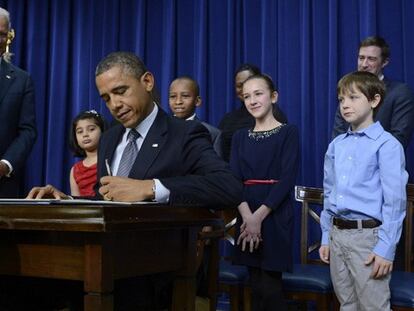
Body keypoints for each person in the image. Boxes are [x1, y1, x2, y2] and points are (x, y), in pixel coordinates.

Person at [27, 51, 242, 310]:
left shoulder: (184, 133)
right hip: (102, 258)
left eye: (120, 91)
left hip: (155, 269)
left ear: (147, 82)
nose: (114, 104)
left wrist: (151, 188)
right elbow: (105, 199)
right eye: (106, 98)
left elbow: (229, 187)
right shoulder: (109, 138)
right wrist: (67, 201)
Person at [320, 71, 408, 310]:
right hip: (337, 235)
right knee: (347, 304)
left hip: (368, 238)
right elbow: (329, 194)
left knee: (373, 306)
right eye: (341, 99)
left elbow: (394, 202)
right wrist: (326, 235)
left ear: (374, 100)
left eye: (353, 97)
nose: (345, 105)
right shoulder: (336, 145)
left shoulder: (387, 145)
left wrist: (385, 248)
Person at [230, 74, 299, 311]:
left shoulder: (288, 133)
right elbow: (234, 180)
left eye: (258, 94)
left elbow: (287, 179)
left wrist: (257, 218)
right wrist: (247, 217)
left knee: (271, 288)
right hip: (245, 211)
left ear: (273, 96)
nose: (252, 101)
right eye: (247, 96)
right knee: (256, 286)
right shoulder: (239, 137)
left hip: (274, 214)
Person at [332, 36, 414, 149]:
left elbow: (398, 139)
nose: (364, 64)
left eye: (371, 59)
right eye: (361, 58)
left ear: (384, 62)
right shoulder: (348, 91)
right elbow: (338, 139)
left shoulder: (399, 93)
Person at [0, 7, 37, 197]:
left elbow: (28, 131)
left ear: (9, 37)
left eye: (2, 34)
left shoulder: (22, 80)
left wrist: (5, 165)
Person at [218, 64, 288, 162]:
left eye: (249, 83)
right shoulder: (227, 120)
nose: (244, 88)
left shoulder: (275, 116)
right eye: (239, 85)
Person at [168, 76, 222, 157]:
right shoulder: (159, 129)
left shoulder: (212, 133)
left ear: (197, 101)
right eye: (173, 96)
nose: (178, 101)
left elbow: (217, 167)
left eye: (185, 96)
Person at [69, 110, 105, 196]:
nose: (85, 134)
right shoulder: (75, 170)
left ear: (102, 130)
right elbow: (75, 200)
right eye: (80, 131)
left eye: (91, 129)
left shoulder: (109, 160)